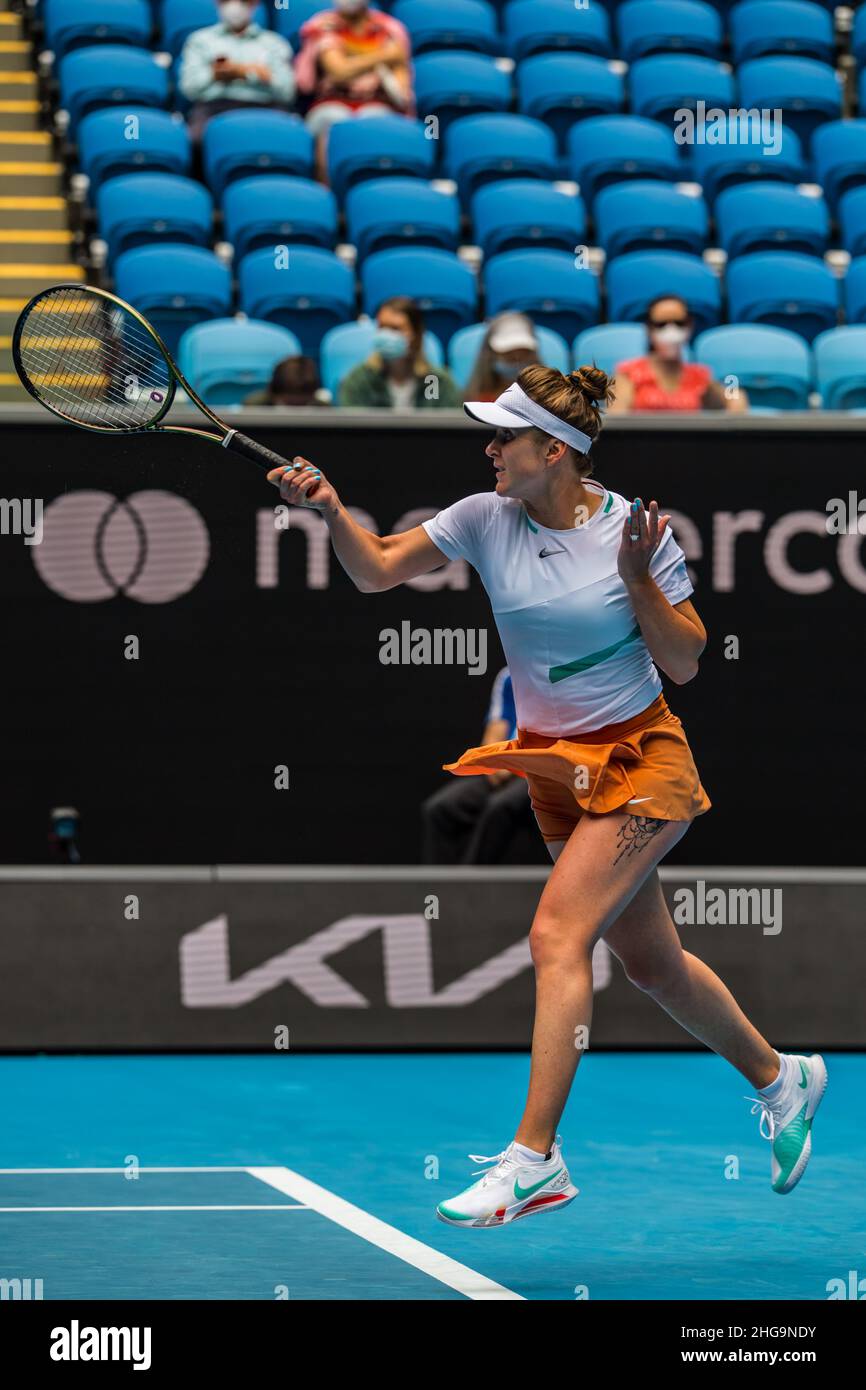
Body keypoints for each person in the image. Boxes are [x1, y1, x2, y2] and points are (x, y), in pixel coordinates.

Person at [267, 364, 826, 1228]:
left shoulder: (634, 532)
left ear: (554, 450)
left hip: (642, 764)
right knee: (653, 965)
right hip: (558, 772)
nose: (488, 449)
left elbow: (684, 663)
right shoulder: (484, 518)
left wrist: (640, 579)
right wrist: (332, 510)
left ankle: (536, 1160)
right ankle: (781, 1078)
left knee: (556, 934)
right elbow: (376, 572)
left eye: (503, 436)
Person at [294, 0, 414, 183]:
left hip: (377, 101)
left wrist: (354, 62)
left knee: (375, 120)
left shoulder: (390, 28)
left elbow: (402, 88)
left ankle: (371, 190)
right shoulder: (323, 25)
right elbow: (339, 71)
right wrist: (383, 56)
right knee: (332, 120)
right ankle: (328, 192)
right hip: (331, 101)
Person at [421, 667, 532, 864]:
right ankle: (437, 890)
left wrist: (513, 763)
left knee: (499, 807)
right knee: (440, 808)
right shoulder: (508, 677)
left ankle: (469, 887)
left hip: (536, 772)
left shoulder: (562, 676)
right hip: (502, 769)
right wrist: (498, 765)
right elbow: (493, 735)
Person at [178, 0, 296, 145]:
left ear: (254, 4)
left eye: (242, 1)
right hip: (214, 108)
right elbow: (189, 89)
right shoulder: (200, 40)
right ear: (217, 3)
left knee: (292, 139)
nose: (235, 5)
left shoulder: (274, 43)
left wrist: (252, 74)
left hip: (267, 108)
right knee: (194, 140)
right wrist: (215, 75)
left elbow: (288, 93)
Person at [608, 295, 749, 414]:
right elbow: (617, 418)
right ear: (649, 329)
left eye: (679, 323)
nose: (671, 330)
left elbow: (735, 397)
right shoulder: (628, 374)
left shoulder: (699, 376)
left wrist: (736, 401)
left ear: (689, 326)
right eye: (661, 324)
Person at [338, 297, 462, 409]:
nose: (386, 334)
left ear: (415, 335)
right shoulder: (361, 380)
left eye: (395, 328)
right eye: (382, 327)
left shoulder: (434, 381)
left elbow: (446, 427)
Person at [464, 312, 542, 403]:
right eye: (508, 354)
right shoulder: (477, 399)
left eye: (524, 353)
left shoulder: (545, 399)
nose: (516, 360)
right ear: (491, 354)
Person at [243, 355, 328, 407]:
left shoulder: (323, 409)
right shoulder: (254, 405)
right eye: (289, 403)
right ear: (274, 391)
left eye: (302, 404)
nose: (295, 412)